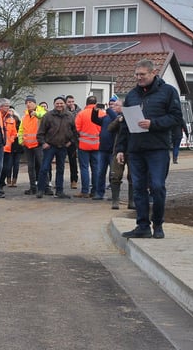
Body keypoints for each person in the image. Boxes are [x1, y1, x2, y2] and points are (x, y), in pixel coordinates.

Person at [115, 58, 183, 239]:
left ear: (153, 73)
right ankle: (142, 226)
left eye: (142, 74)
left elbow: (176, 117)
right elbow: (125, 125)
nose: (139, 78)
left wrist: (153, 124)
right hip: (136, 149)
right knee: (138, 188)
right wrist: (120, 149)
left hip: (157, 148)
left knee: (157, 187)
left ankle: (158, 224)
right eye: (136, 74)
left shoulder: (168, 92)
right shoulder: (132, 95)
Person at [37, 95, 78, 199]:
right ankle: (40, 190)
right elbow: (40, 132)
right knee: (44, 168)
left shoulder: (70, 116)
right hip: (50, 146)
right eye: (57, 103)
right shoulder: (48, 116)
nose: (59, 105)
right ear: (54, 104)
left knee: (61, 169)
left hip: (63, 146)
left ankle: (59, 191)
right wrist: (43, 143)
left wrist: (71, 142)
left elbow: (75, 132)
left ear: (64, 104)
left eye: (61, 103)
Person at [74, 95, 104, 198]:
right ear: (96, 103)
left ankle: (85, 191)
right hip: (97, 145)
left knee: (84, 168)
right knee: (96, 168)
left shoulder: (81, 114)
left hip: (84, 145)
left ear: (86, 103)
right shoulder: (102, 113)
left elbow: (76, 128)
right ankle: (95, 191)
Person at [95, 95, 121, 202]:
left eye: (114, 105)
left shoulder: (120, 117)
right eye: (110, 105)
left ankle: (114, 195)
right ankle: (99, 193)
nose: (111, 106)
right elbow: (95, 120)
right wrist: (95, 111)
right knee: (100, 172)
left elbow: (115, 118)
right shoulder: (106, 117)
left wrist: (108, 110)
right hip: (103, 149)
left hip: (113, 150)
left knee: (113, 174)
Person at [18, 95, 44, 195]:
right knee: (30, 168)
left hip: (38, 144)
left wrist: (36, 114)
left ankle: (45, 187)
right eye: (27, 103)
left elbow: (44, 116)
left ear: (35, 103)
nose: (28, 104)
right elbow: (21, 130)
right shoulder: (25, 116)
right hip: (28, 145)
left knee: (42, 166)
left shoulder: (41, 112)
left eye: (30, 102)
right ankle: (33, 187)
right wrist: (21, 140)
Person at [0, 99, 21, 188]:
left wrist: (10, 140)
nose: (7, 108)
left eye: (8, 106)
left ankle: (0, 184)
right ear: (0, 107)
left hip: (7, 147)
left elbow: (14, 133)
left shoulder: (11, 118)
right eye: (5, 106)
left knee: (6, 168)